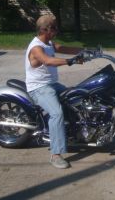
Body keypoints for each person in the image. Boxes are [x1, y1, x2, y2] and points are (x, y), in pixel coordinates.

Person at [25, 14, 83, 169]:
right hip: (39, 87)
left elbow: (64, 48)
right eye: (55, 27)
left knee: (77, 97)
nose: (57, 30)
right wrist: (71, 61)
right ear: (45, 29)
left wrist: (86, 51)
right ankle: (56, 154)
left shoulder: (48, 43)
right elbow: (47, 60)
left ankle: (74, 133)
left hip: (52, 84)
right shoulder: (36, 47)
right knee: (57, 113)